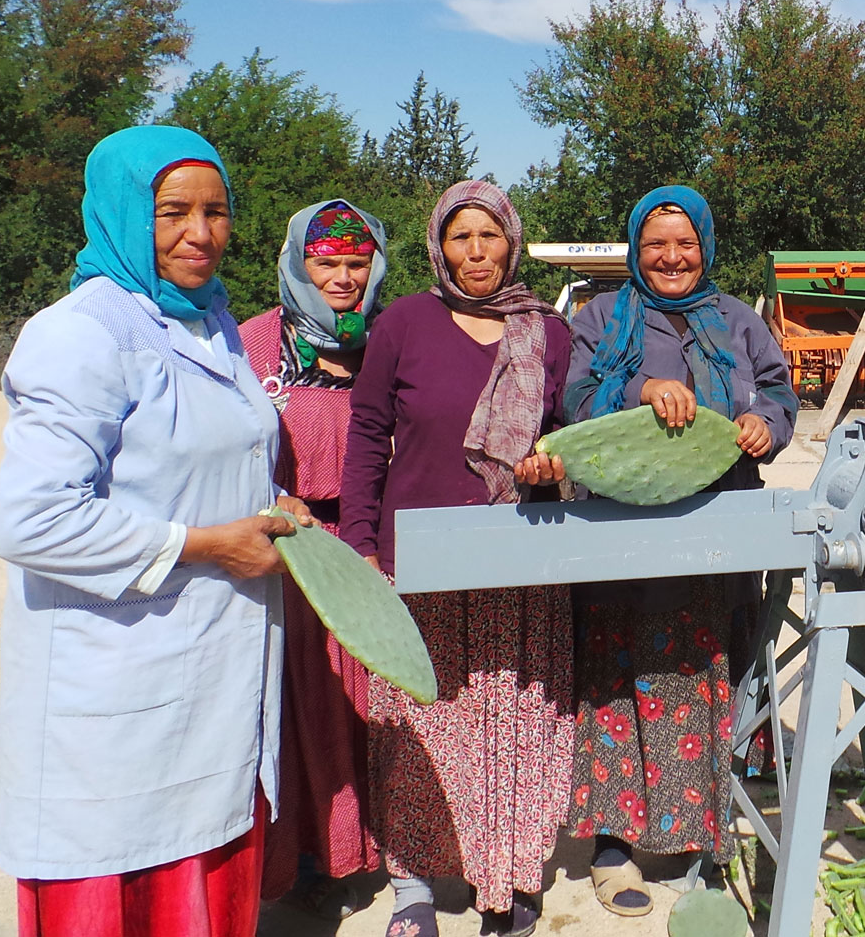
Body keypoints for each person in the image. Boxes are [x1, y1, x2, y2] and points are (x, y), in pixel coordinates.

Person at [0, 125, 304, 937]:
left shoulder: (210, 322)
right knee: (122, 888)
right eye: (172, 212)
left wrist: (272, 504)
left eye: (216, 211)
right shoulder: (82, 332)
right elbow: (33, 519)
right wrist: (206, 545)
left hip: (208, 677)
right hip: (118, 677)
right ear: (124, 212)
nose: (199, 235)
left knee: (205, 863)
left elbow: (196, 460)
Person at [555, 186, 797, 918]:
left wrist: (763, 424)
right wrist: (641, 385)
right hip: (618, 539)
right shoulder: (598, 318)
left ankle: (697, 837)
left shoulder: (738, 321)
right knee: (616, 676)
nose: (671, 257)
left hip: (716, 533)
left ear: (706, 247)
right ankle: (612, 847)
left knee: (700, 673)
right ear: (635, 248)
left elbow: (781, 396)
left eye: (684, 243)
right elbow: (572, 400)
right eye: (656, 243)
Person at [340, 181, 573, 937]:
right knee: (423, 722)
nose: (475, 253)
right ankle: (413, 884)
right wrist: (359, 546)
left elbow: (571, 440)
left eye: (490, 237)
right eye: (459, 237)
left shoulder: (547, 331)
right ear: (438, 244)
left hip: (520, 560)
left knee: (514, 723)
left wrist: (551, 466)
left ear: (512, 241)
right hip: (421, 563)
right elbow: (369, 436)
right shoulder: (405, 321)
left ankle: (508, 879)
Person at [240, 199, 389, 914]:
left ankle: (369, 851)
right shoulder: (251, 346)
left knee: (372, 706)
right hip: (286, 561)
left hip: (370, 555)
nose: (342, 278)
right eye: (325, 263)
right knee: (293, 712)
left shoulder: (390, 342)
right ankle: (296, 862)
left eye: (356, 263)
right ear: (298, 263)